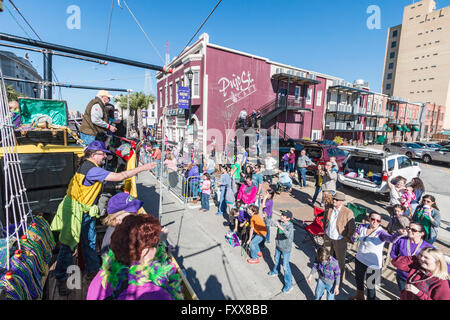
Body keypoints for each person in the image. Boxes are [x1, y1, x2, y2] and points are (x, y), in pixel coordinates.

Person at [50, 140, 156, 296]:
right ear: (94, 155)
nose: (104, 158)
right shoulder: (92, 170)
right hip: (74, 211)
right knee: (68, 245)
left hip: (85, 210)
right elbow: (121, 176)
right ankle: (60, 278)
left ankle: (93, 271)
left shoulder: (90, 166)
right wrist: (144, 167)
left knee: (90, 241)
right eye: (102, 155)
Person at [86, 214, 183, 300]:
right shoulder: (154, 294)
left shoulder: (100, 278)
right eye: (155, 245)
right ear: (145, 253)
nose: (157, 249)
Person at [350, 212, 406, 300]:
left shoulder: (381, 233)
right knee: (359, 280)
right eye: (373, 219)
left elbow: (391, 239)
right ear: (369, 219)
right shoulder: (362, 227)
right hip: (360, 259)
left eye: (378, 220)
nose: (375, 222)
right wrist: (354, 237)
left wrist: (398, 234)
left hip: (374, 264)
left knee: (371, 287)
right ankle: (359, 296)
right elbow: (354, 239)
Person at [390, 221, 434, 292]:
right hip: (401, 276)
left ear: (421, 233)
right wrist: (400, 264)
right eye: (408, 228)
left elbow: (440, 263)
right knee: (404, 295)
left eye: (413, 230)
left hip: (418, 279)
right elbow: (393, 254)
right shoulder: (401, 240)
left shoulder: (428, 247)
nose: (409, 230)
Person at [323, 192, 355, 283]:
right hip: (328, 237)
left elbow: (352, 228)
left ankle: (339, 279)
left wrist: (346, 238)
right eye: (334, 199)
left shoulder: (348, 212)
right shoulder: (329, 208)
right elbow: (325, 219)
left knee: (340, 261)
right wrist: (325, 231)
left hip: (340, 240)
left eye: (336, 200)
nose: (334, 201)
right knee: (327, 256)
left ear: (342, 201)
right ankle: (328, 273)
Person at [268, 210, 295, 293]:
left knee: (285, 266)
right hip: (278, 246)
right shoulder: (280, 222)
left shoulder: (290, 226)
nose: (281, 216)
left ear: (288, 218)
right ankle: (276, 271)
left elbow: (288, 235)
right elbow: (271, 223)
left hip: (286, 249)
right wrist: (266, 218)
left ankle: (289, 284)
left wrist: (280, 227)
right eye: (282, 214)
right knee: (276, 259)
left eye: (283, 215)